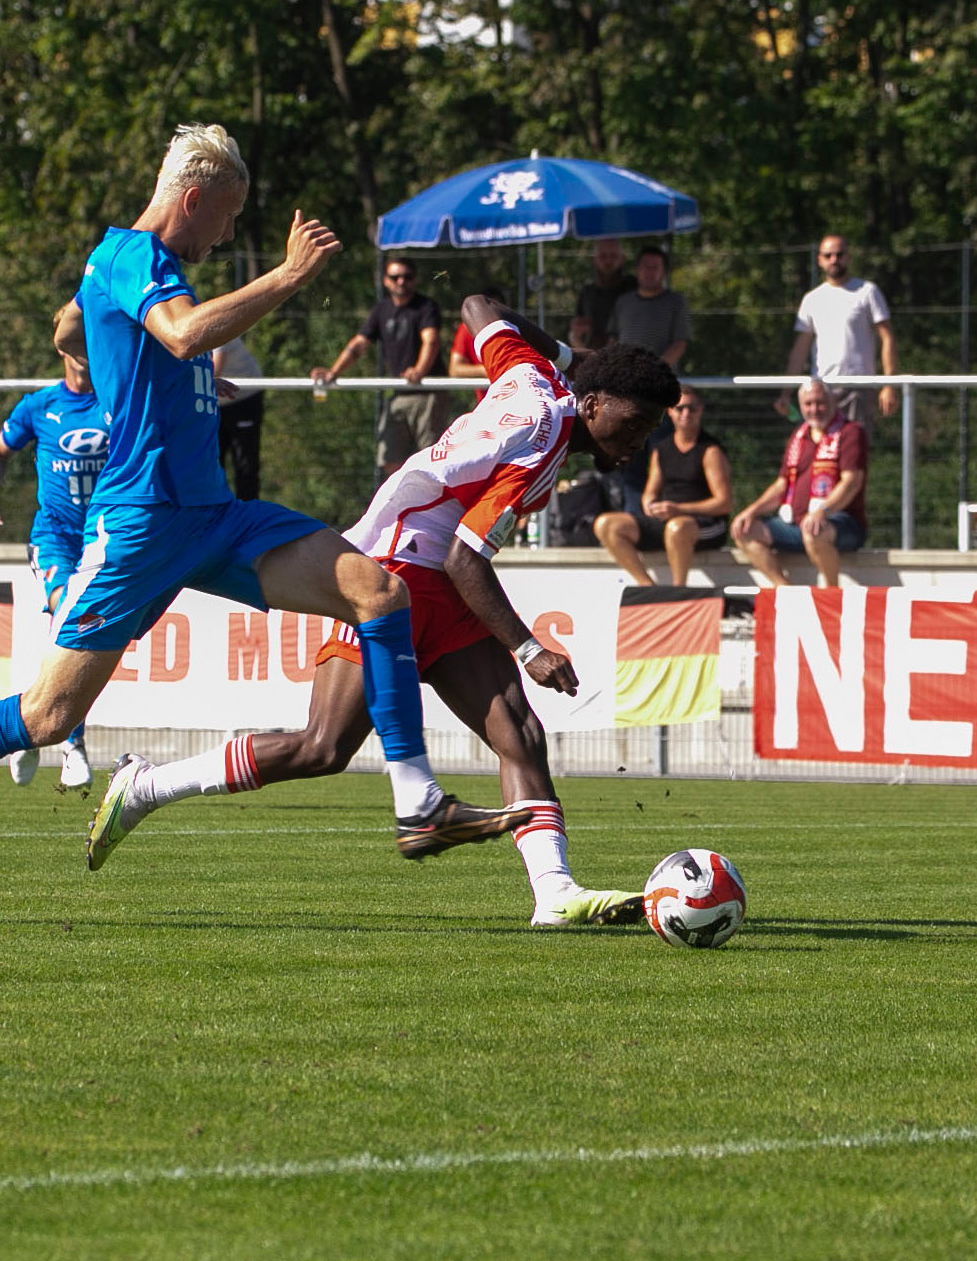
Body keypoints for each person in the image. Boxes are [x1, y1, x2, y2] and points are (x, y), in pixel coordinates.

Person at [0, 124, 453, 912]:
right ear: (192, 199)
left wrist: (89, 325)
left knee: (378, 592)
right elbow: (185, 330)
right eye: (223, 219)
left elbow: (69, 324)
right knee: (49, 716)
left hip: (215, 519)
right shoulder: (134, 257)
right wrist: (288, 275)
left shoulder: (116, 268)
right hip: (142, 526)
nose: (225, 235)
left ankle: (416, 797)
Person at [87, 297, 677, 927]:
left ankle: (554, 893)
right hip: (391, 574)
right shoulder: (544, 443)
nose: (639, 441)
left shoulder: (530, 372)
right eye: (635, 422)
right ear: (593, 404)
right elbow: (465, 559)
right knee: (323, 747)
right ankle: (147, 787)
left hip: (435, 577)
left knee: (520, 734)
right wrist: (528, 649)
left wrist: (568, 355)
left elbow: (478, 305)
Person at [0, 306, 107, 793]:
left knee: (84, 632)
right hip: (52, 539)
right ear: (66, 348)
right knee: (69, 614)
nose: (88, 351)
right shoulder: (38, 407)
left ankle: (29, 723)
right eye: (79, 341)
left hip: (104, 543)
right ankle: (71, 742)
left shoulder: (119, 398)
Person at [313, 257, 443, 478]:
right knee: (389, 458)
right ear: (385, 281)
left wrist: (419, 370)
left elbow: (431, 340)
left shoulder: (426, 307)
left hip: (427, 393)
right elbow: (359, 344)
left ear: (415, 279)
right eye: (395, 277)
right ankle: (405, 502)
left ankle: (430, 508)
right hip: (400, 393)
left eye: (407, 277)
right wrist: (333, 372)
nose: (401, 282)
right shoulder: (381, 310)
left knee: (432, 459)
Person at [731, 378, 866, 588]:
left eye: (820, 402)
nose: (815, 409)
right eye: (808, 404)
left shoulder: (850, 432)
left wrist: (823, 511)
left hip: (840, 522)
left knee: (814, 530)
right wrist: (751, 511)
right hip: (794, 523)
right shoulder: (799, 436)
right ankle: (785, 590)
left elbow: (851, 483)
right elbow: (781, 486)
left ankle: (832, 593)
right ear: (801, 406)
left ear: (832, 401)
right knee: (743, 530)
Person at [594, 389, 733, 587]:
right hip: (669, 521)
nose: (686, 414)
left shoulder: (710, 451)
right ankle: (647, 586)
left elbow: (724, 503)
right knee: (607, 524)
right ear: (670, 412)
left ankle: (678, 590)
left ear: (700, 410)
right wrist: (650, 504)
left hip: (704, 524)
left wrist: (679, 510)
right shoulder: (662, 449)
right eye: (680, 409)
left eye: (691, 409)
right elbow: (650, 492)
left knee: (677, 529)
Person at [782, 233, 895, 427]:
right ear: (820, 260)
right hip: (821, 389)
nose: (834, 260)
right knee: (821, 453)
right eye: (828, 255)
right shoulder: (812, 299)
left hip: (858, 388)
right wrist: (785, 392)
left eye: (839, 254)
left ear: (848, 257)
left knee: (855, 452)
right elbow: (800, 349)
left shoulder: (867, 292)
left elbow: (887, 338)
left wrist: (889, 385)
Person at [608, 245, 690, 368]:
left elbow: (680, 342)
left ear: (664, 272)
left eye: (655, 267)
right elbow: (613, 339)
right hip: (624, 375)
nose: (649, 272)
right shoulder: (623, 301)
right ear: (637, 269)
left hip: (661, 379)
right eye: (646, 266)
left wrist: (655, 369)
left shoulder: (676, 302)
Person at [212, 333, 265, 500]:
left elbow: (213, 372)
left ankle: (248, 518)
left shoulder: (215, 327)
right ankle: (213, 513)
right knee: (212, 462)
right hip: (213, 403)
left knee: (245, 464)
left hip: (244, 399)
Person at [571, 238, 634, 351]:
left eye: (613, 256)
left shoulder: (634, 288)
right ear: (593, 259)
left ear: (622, 258)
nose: (608, 261)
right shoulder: (587, 292)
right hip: (596, 358)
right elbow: (576, 333)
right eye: (603, 256)